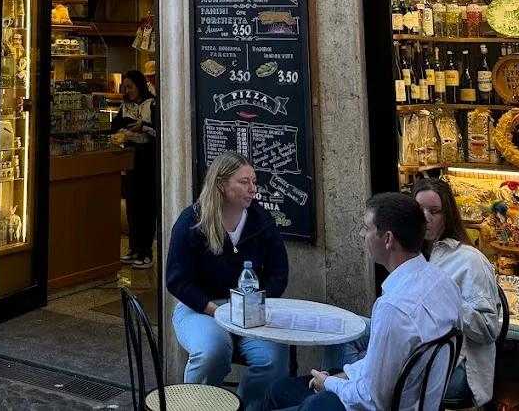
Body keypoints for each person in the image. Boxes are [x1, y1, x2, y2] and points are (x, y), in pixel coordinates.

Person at [262, 193, 461, 411]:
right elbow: (384, 366)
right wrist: (343, 375)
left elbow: (372, 399)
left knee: (307, 401)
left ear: (387, 239)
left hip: (386, 405)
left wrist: (330, 383)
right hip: (414, 399)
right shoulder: (443, 282)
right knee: (279, 390)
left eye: (366, 228)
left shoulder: (394, 307)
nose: (361, 234)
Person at [166, 151, 290, 411]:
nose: (253, 189)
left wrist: (258, 304)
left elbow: (279, 272)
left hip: (250, 310)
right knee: (212, 352)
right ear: (221, 184)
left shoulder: (261, 221)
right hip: (201, 309)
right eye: (244, 182)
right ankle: (198, 408)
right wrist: (215, 310)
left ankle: (246, 407)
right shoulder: (192, 222)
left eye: (254, 182)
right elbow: (177, 281)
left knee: (274, 359)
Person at [414, 179, 500, 406]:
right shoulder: (413, 255)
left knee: (374, 372)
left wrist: (449, 302)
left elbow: (489, 328)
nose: (425, 218)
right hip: (417, 350)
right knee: (352, 335)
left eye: (434, 212)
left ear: (447, 215)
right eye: (419, 210)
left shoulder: (470, 260)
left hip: (457, 367)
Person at [112, 69, 158, 268]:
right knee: (132, 205)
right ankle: (134, 248)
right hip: (130, 158)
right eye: (125, 87)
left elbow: (160, 130)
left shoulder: (152, 105)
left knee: (146, 206)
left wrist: (144, 126)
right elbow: (115, 127)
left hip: (148, 160)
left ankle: (146, 251)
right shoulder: (125, 106)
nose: (128, 91)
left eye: (130, 86)